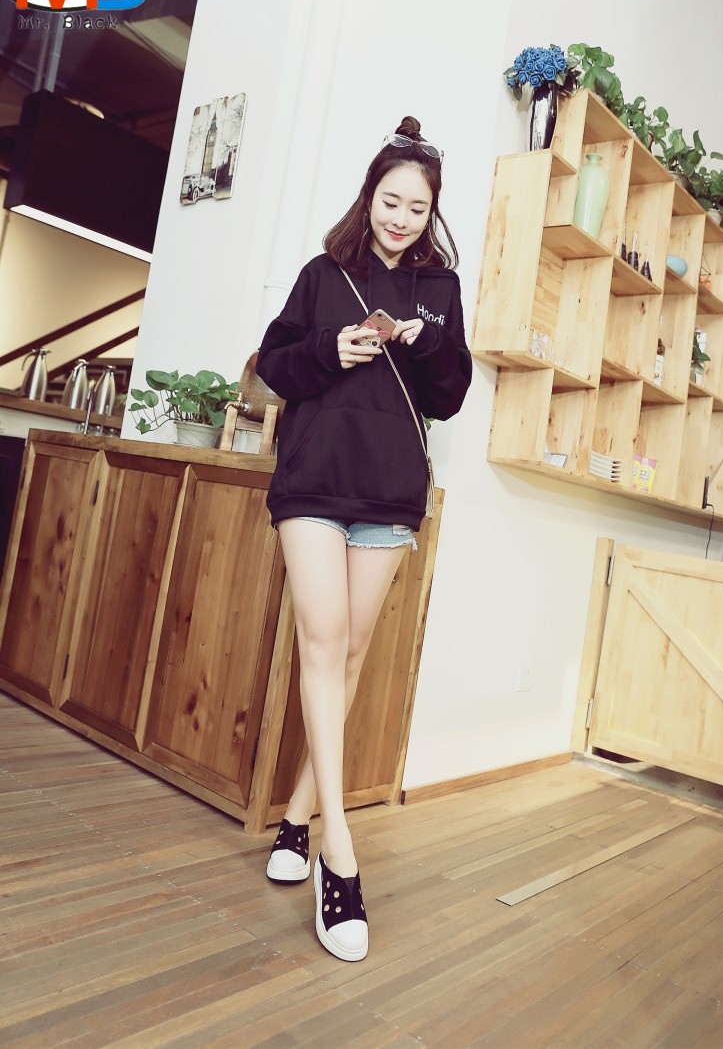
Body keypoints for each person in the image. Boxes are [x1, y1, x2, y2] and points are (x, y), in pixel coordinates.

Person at [255, 116, 472, 962]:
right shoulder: (324, 274)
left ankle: (296, 817)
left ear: (431, 211)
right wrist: (331, 348)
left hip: (388, 489)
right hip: (313, 479)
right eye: (390, 201)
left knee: (348, 654)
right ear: (369, 196)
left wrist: (427, 342)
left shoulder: (441, 288)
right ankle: (337, 851)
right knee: (323, 639)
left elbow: (449, 396)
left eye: (417, 208)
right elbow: (273, 363)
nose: (401, 219)